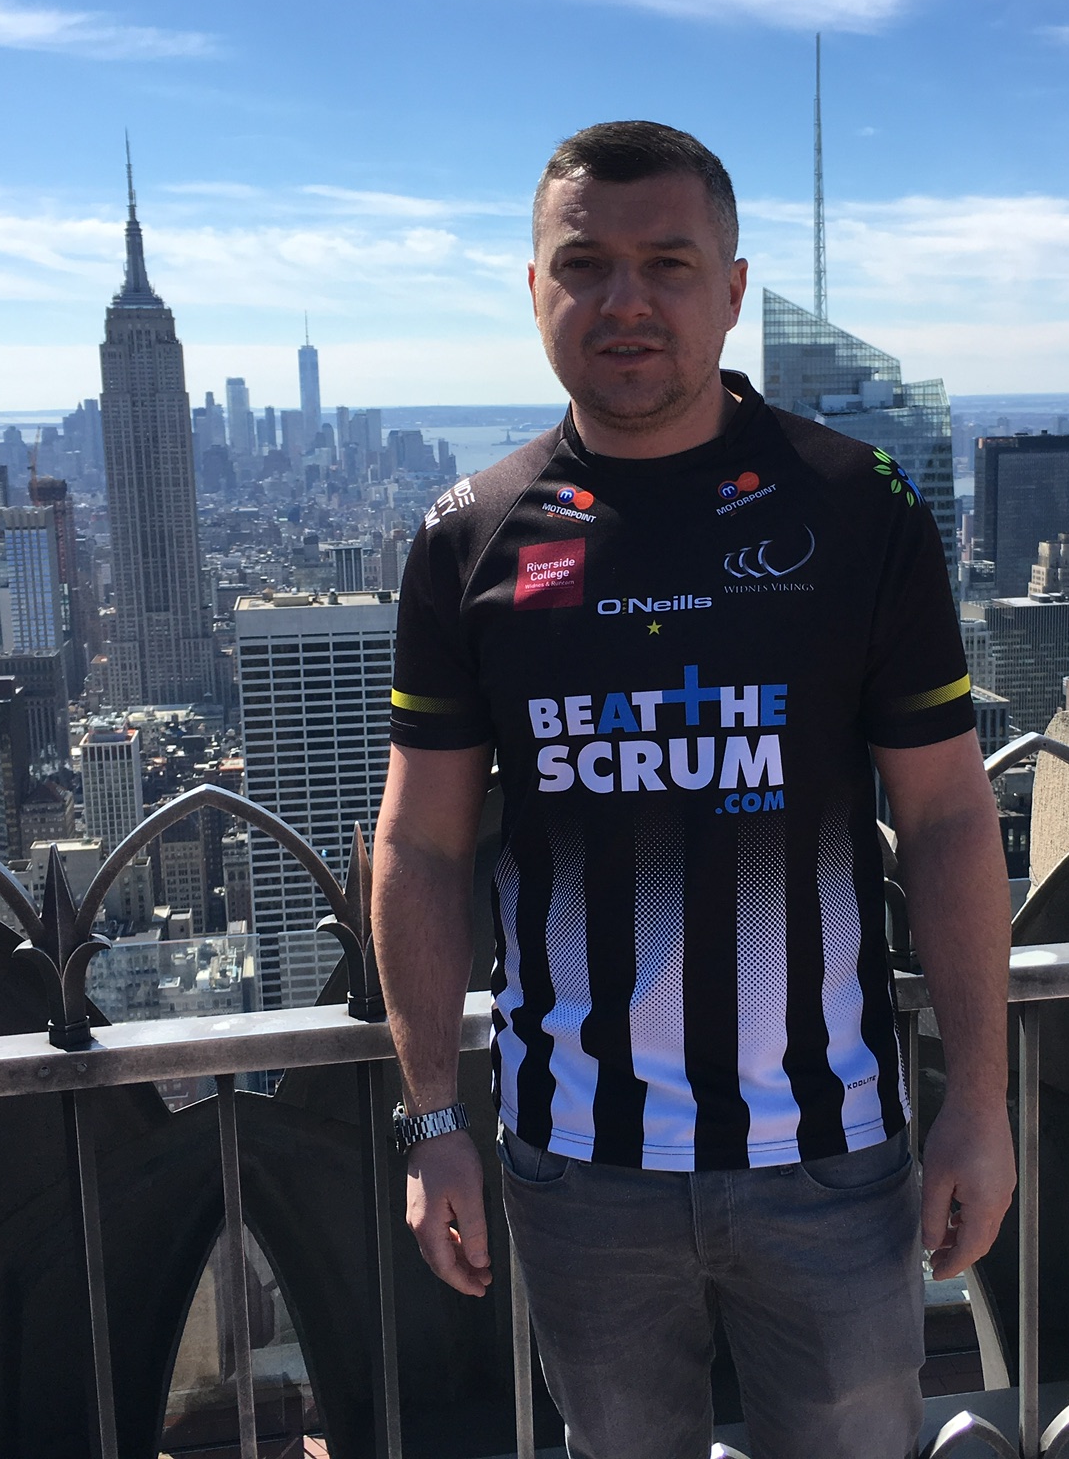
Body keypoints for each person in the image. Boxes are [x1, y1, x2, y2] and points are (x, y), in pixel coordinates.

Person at [374, 120, 1015, 1459]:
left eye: (668, 263)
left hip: (832, 1150)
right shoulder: (468, 539)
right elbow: (420, 847)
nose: (626, 301)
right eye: (585, 265)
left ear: (731, 289)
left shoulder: (859, 508)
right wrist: (433, 1118)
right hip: (576, 1164)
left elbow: (949, 814)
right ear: (534, 289)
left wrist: (979, 1100)